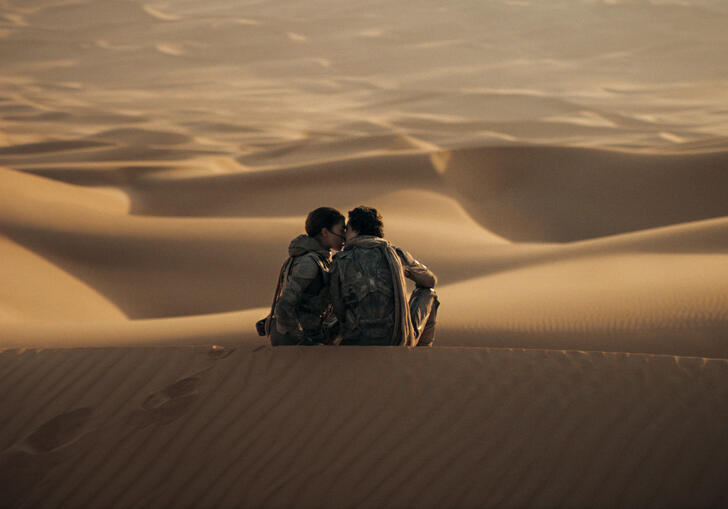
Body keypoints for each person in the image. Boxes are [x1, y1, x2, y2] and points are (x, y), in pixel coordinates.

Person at [329, 206, 439, 346]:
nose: (345, 235)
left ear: (356, 230)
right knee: (428, 293)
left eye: (347, 229)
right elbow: (430, 281)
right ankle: (420, 355)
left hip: (355, 340)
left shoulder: (340, 260)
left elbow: (337, 305)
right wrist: (404, 272)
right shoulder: (394, 254)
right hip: (397, 340)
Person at [263, 207, 346, 346]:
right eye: (341, 230)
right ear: (325, 232)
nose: (344, 236)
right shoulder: (310, 262)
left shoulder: (316, 258)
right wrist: (300, 339)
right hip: (294, 344)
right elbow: (284, 305)